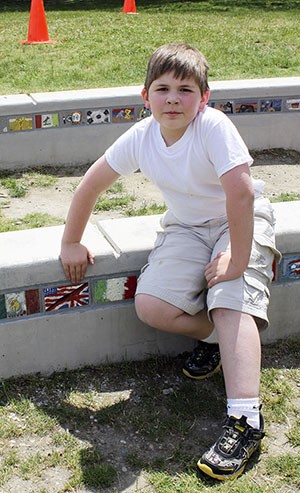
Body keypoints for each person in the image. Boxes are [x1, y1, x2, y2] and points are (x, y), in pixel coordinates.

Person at [60, 43, 280, 481]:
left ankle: (245, 420)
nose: (173, 98)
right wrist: (70, 242)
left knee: (229, 297)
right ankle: (223, 341)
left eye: (185, 89)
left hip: (239, 221)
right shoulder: (142, 137)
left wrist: (236, 258)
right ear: (146, 97)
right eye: (162, 89)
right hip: (186, 226)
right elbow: (90, 185)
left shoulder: (213, 127)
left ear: (205, 97)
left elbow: (242, 192)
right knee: (152, 307)